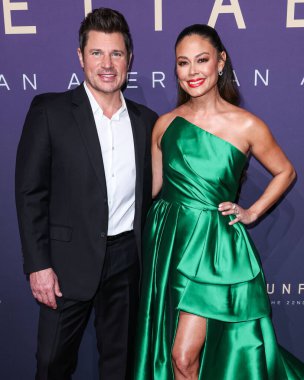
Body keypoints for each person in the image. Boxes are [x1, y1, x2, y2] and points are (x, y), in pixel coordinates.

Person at [133, 24, 304, 379]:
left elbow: (285, 171)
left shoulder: (246, 125)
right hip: (169, 242)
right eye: (183, 63)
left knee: (183, 355)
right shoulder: (165, 125)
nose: (192, 71)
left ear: (220, 62)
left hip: (212, 249)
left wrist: (252, 211)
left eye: (202, 60)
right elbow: (150, 190)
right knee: (174, 353)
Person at [15, 7, 158, 380]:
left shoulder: (147, 121)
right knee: (51, 365)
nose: (107, 64)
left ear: (130, 58)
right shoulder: (50, 111)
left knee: (120, 365)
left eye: (116, 53)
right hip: (63, 264)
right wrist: (37, 264)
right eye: (97, 53)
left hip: (127, 260)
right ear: (81, 57)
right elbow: (30, 193)